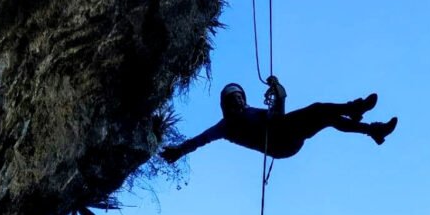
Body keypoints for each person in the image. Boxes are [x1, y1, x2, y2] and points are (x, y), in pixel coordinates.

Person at [160, 76, 398, 163]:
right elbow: (201, 140)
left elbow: (278, 114)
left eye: (239, 98)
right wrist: (179, 151)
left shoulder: (253, 111)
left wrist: (278, 90)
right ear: (226, 106)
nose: (238, 103)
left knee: (326, 117)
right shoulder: (226, 127)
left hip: (285, 138)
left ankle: (371, 129)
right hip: (280, 142)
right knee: (319, 111)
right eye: (233, 100)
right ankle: (355, 109)